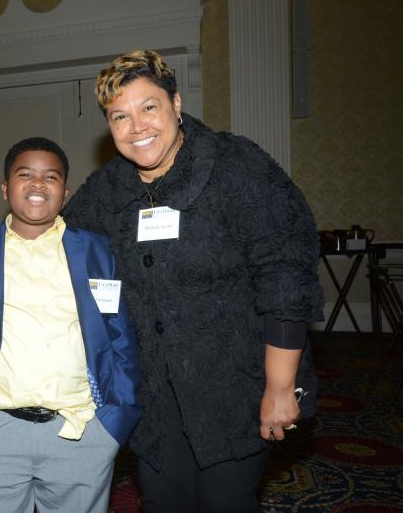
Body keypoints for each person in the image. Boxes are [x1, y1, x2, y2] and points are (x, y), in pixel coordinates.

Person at [62, 50, 323, 512]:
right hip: (155, 396)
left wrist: (280, 388)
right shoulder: (109, 188)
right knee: (163, 501)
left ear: (176, 104)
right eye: (120, 116)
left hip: (235, 386)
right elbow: (61, 245)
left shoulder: (234, 166)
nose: (136, 127)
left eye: (149, 108)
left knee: (225, 501)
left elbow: (286, 276)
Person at [0, 137, 142, 513]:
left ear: (65, 192)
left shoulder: (97, 252)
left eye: (51, 176)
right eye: (24, 174)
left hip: (80, 430)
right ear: (5, 187)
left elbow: (120, 336)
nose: (37, 184)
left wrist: (114, 421)